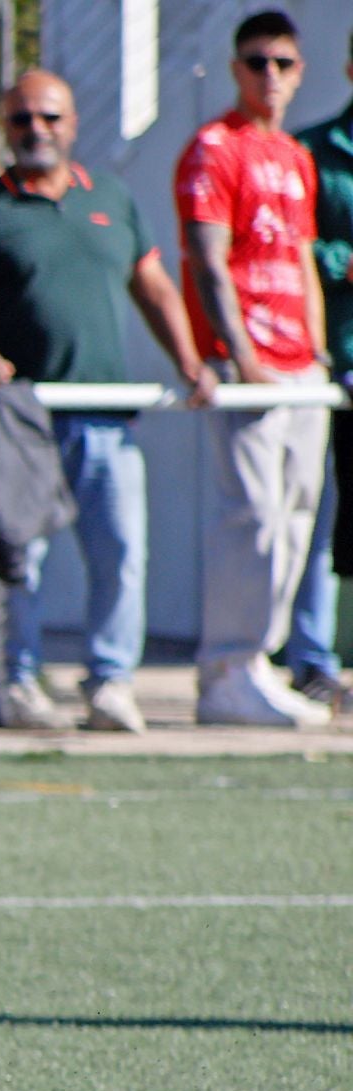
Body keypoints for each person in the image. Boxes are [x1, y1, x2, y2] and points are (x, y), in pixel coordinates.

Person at [0, 71, 217, 734]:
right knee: (20, 559)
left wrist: (189, 360)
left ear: (73, 122)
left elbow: (155, 288)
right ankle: (20, 680)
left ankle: (111, 682)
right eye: (23, 119)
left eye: (49, 117)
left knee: (119, 550)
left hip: (105, 416)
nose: (37, 131)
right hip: (19, 421)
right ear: (6, 126)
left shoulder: (110, 199)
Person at [175, 9, 333, 729]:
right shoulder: (215, 147)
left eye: (284, 63)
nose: (270, 76)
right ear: (236, 69)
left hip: (302, 366)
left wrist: (319, 347)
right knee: (253, 518)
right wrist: (241, 356)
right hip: (251, 365)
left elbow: (299, 257)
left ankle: (258, 662)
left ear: (301, 71)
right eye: (256, 62)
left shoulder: (294, 157)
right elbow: (208, 261)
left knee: (298, 517)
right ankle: (229, 667)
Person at [290, 31, 353, 715]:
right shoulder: (314, 150)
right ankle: (312, 654)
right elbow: (297, 247)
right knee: (316, 509)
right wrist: (342, 262)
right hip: (336, 359)